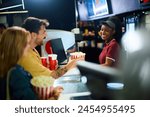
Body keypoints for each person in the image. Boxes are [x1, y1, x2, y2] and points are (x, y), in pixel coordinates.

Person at [0, 26, 63, 100]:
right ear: (19, 46)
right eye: (27, 43)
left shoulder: (7, 66)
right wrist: (55, 96)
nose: (29, 46)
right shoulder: (17, 73)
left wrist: (51, 92)